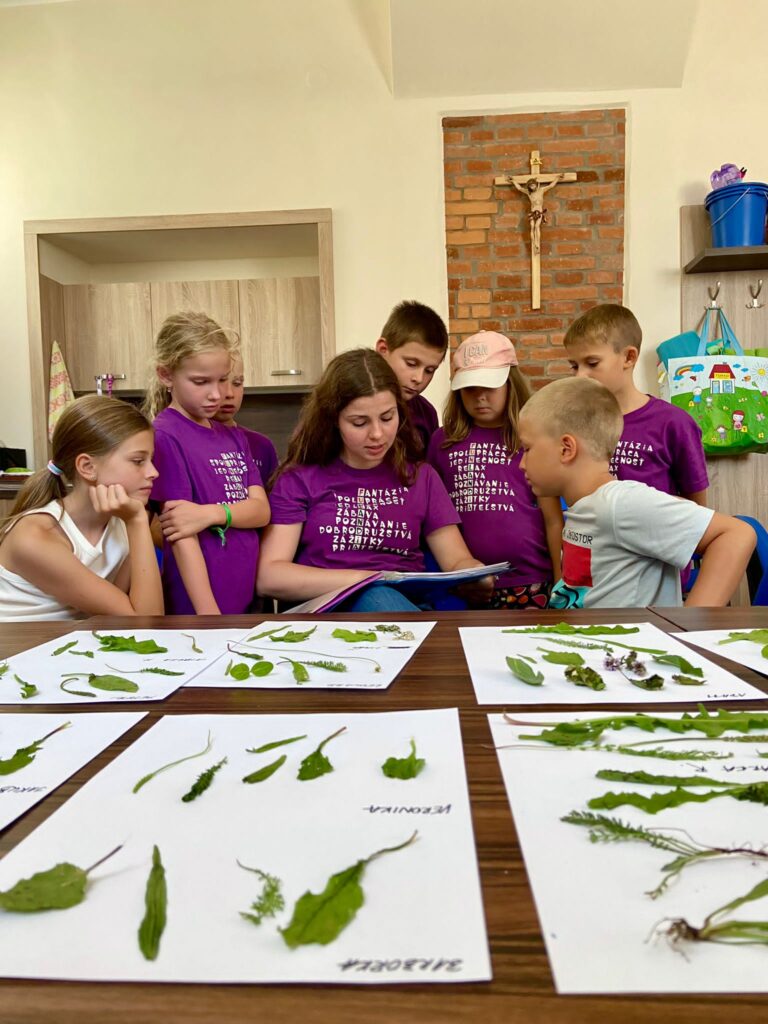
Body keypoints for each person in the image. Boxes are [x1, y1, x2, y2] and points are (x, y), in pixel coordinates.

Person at [257, 348, 490, 612]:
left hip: (405, 609)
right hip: (327, 613)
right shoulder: (299, 479)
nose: (377, 434)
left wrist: (475, 573)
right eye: (360, 423)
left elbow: (456, 560)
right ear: (334, 420)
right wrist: (367, 579)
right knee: (375, 596)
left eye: (387, 417)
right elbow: (269, 577)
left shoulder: (422, 477)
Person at [517, 377, 755, 608]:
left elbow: (736, 534)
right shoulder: (584, 508)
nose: (522, 464)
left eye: (527, 449)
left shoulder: (621, 504)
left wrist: (690, 624)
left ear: (566, 449)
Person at [143, 311, 270, 615]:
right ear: (166, 375)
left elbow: (261, 511)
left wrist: (209, 514)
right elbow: (181, 532)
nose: (217, 394)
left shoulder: (234, 437)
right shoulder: (165, 436)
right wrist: (209, 616)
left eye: (223, 379)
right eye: (201, 382)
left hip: (243, 598)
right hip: (202, 608)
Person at [428, 331, 563, 609]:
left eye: (490, 386)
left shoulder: (533, 439)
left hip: (529, 581)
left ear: (510, 383)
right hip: (463, 585)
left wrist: (562, 581)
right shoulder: (442, 442)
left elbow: (553, 519)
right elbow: (434, 518)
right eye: (470, 388)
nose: (480, 397)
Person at [0, 395, 163, 620]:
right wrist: (137, 522)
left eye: (151, 460)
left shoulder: (122, 521)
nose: (154, 472)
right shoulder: (34, 537)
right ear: (87, 467)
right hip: (20, 643)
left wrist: (136, 524)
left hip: (74, 640)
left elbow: (129, 615)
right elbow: (145, 619)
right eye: (138, 461)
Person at [563, 304, 709, 504]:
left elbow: (697, 507)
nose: (580, 375)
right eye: (574, 366)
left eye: (592, 363)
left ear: (628, 357)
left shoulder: (674, 423)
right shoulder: (575, 423)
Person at [375, 300, 448, 454]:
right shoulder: (352, 402)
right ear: (383, 350)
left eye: (429, 370)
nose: (419, 378)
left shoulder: (426, 413)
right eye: (411, 364)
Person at [214, 354, 279, 485]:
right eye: (221, 382)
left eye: (237, 383)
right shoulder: (182, 441)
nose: (230, 394)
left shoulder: (261, 445)